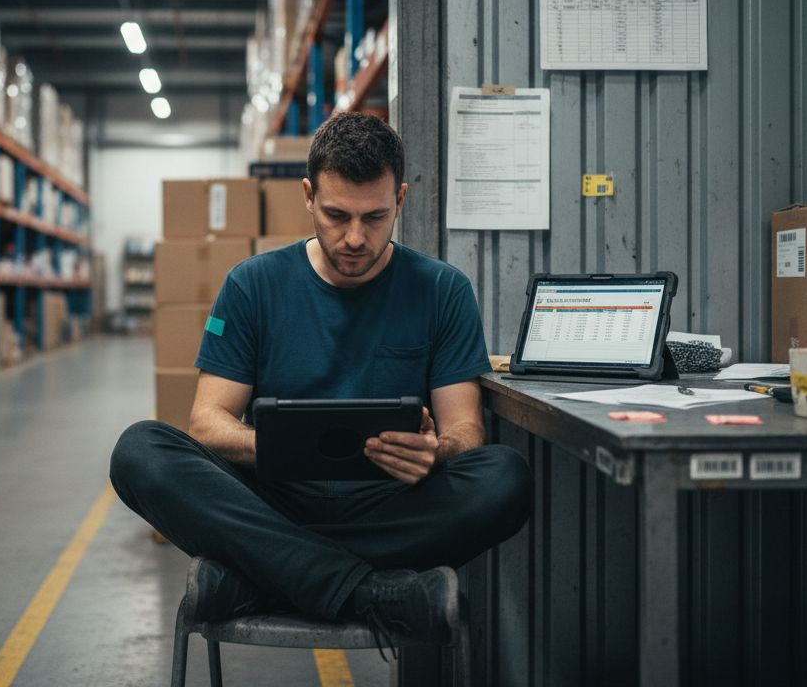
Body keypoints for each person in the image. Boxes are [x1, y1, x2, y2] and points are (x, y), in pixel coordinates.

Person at [110, 113, 531, 650]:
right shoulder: (252, 284)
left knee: (505, 477)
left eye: (375, 217)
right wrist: (280, 449)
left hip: (391, 505)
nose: (355, 238)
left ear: (400, 199)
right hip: (272, 501)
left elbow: (467, 431)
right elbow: (208, 424)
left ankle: (264, 575)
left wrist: (435, 450)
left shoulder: (442, 290)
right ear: (308, 196)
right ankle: (365, 591)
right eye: (336, 215)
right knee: (140, 451)